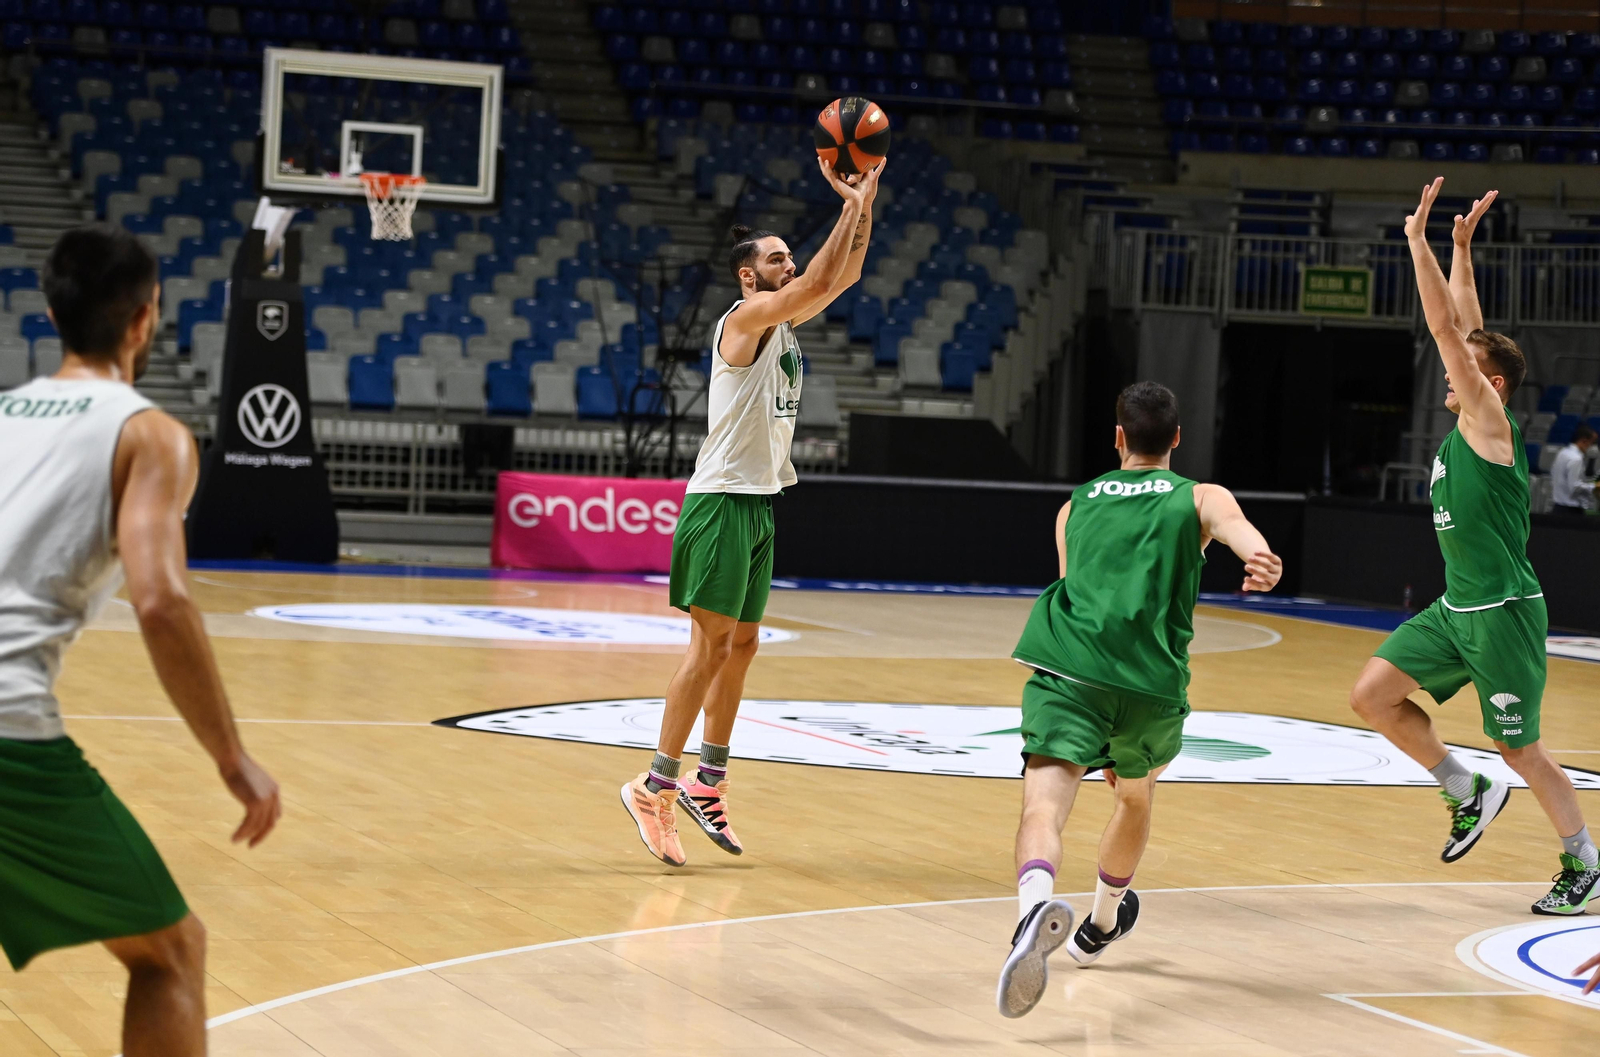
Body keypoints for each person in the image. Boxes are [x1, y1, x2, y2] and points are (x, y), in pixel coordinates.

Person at [0, 226, 281, 1057]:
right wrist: (231, 756)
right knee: (171, 950)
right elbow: (160, 600)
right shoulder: (148, 434)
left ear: (53, 315)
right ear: (144, 318)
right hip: (9, 736)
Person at [620, 158, 884, 866]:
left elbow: (844, 275)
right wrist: (847, 205)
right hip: (719, 502)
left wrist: (866, 200)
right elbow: (820, 281)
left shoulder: (783, 324)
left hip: (760, 500)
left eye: (789, 258)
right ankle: (653, 786)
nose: (788, 266)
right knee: (708, 648)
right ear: (748, 275)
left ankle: (708, 782)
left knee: (743, 646)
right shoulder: (742, 319)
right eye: (776, 260)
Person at [1349, 179, 1598, 915]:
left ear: (1489, 383)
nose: (1449, 369)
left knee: (1523, 749)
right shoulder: (1473, 417)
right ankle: (1467, 788)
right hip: (1458, 607)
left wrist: (1416, 242)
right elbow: (1467, 323)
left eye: (1465, 364)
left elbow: (1447, 330)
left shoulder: (1490, 424)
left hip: (1504, 613)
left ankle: (1584, 861)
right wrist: (1460, 249)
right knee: (1371, 696)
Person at [995, 382, 1283, 1018]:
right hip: (1150, 687)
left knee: (1043, 806)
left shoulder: (1075, 505)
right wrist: (1260, 559)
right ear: (1177, 438)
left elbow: (1074, 584)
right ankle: (1100, 923)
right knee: (1134, 796)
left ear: (1118, 437)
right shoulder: (1200, 497)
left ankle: (1032, 910)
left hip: (1070, 671)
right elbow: (1240, 533)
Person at [1548, 423, 1597, 515]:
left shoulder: (1562, 452)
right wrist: (1595, 487)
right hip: (1570, 511)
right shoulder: (1576, 459)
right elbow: (1575, 487)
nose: (1593, 447)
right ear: (1584, 441)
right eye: (1592, 443)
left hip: (1557, 507)